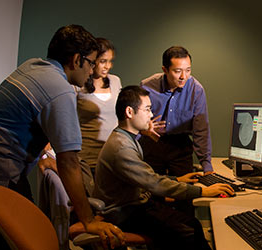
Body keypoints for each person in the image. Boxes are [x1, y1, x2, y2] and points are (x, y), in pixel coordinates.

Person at [0, 24, 124, 250]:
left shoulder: (34, 65)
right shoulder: (59, 89)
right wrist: (87, 220)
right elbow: (69, 162)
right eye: (91, 62)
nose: (92, 70)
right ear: (77, 59)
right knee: (8, 235)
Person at [93, 85, 234, 250]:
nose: (151, 115)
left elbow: (145, 177)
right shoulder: (121, 147)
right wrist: (204, 191)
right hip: (124, 213)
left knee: (192, 223)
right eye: (147, 109)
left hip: (134, 205)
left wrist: (177, 179)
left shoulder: (125, 138)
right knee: (189, 231)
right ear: (130, 112)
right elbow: (154, 183)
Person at [139, 46, 213, 177]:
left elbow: (201, 130)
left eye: (188, 70)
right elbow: (135, 121)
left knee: (185, 191)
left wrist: (207, 166)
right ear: (165, 70)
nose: (183, 76)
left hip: (181, 145)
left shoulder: (196, 90)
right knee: (153, 191)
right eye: (177, 71)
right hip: (152, 141)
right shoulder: (147, 86)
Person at [74, 38, 122, 195]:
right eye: (103, 61)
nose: (107, 66)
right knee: (91, 203)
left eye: (110, 61)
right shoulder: (78, 85)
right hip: (88, 158)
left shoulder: (115, 81)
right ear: (93, 60)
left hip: (112, 156)